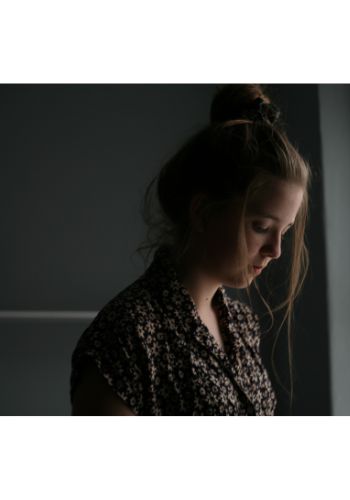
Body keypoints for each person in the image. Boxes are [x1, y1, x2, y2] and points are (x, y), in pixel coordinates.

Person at [70, 84, 311, 416]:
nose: (276, 250)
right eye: (261, 226)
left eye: (284, 231)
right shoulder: (128, 333)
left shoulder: (242, 324)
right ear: (203, 212)